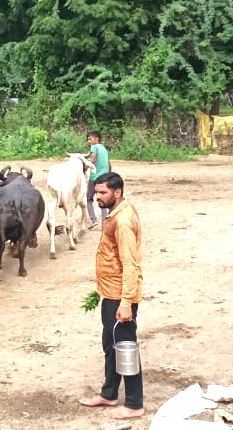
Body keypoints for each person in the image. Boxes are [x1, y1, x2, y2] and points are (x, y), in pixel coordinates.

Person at [79, 172, 145, 421]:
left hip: (120, 295)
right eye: (96, 193)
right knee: (111, 345)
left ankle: (134, 404)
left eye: (103, 193)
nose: (97, 197)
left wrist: (126, 302)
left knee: (125, 347)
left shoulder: (123, 221)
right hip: (110, 293)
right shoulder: (116, 213)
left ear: (117, 192)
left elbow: (131, 264)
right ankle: (109, 393)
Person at [86, 131, 111, 226]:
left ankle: (93, 220)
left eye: (90, 139)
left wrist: (86, 164)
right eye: (88, 139)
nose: (89, 141)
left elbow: (93, 159)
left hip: (95, 177)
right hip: (104, 177)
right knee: (102, 199)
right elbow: (109, 164)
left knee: (88, 199)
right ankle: (104, 223)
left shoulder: (94, 147)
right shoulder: (104, 149)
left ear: (96, 139)